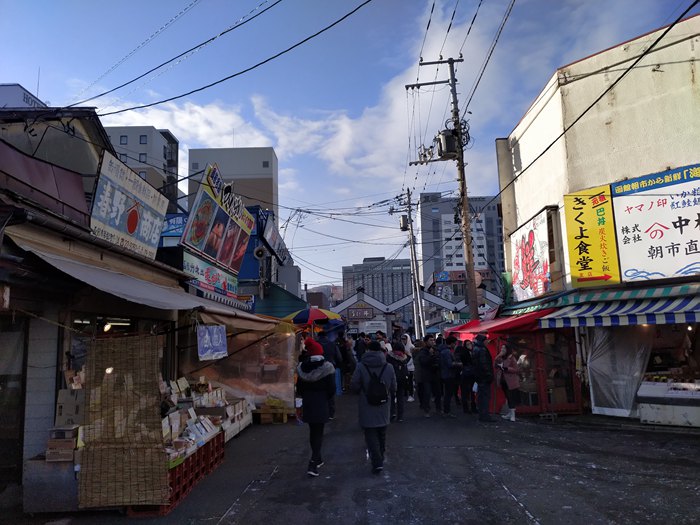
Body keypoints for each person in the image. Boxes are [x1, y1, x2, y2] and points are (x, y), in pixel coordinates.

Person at [350, 340, 396, 474]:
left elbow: (354, 385)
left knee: (370, 432)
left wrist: (362, 390)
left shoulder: (361, 366)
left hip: (366, 403)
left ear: (368, 350)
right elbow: (394, 387)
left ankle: (377, 461)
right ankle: (380, 456)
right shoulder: (388, 366)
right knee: (382, 432)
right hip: (383, 403)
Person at [296, 337, 336, 477]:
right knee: (319, 432)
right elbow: (332, 389)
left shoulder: (302, 368)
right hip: (321, 402)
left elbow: (299, 388)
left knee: (313, 431)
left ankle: (318, 459)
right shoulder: (327, 368)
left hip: (308, 402)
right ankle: (313, 463)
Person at [318, 330, 343, 418]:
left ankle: (320, 411)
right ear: (326, 336)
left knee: (319, 390)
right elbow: (339, 358)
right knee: (330, 390)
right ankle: (330, 413)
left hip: (318, 370)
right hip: (331, 369)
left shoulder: (316, 344)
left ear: (318, 336)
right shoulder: (332, 344)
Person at [495, 338, 521, 422]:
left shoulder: (511, 358)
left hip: (510, 381)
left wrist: (507, 368)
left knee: (511, 397)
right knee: (507, 396)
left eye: (504, 348)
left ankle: (513, 414)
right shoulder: (501, 357)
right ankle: (510, 413)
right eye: (501, 348)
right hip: (503, 381)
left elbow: (516, 369)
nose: (502, 350)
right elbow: (495, 364)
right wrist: (499, 355)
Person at [472, 333, 496, 422]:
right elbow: (484, 364)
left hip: (479, 377)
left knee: (481, 396)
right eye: (486, 340)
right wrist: (489, 375)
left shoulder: (475, 349)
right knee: (485, 396)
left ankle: (482, 414)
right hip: (484, 377)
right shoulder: (482, 350)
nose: (487, 342)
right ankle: (485, 415)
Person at [386, 340, 411, 422]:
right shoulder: (404, 357)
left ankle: (392, 413)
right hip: (402, 379)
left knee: (391, 397)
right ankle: (400, 416)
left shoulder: (389, 357)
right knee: (400, 398)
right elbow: (408, 358)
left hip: (391, 379)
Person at [416, 334, 441, 417]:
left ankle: (439, 409)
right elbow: (424, 362)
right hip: (426, 375)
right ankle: (426, 410)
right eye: (430, 340)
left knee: (438, 392)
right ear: (426, 342)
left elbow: (439, 359)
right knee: (427, 393)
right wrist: (431, 356)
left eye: (433, 340)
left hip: (435, 374)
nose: (433, 342)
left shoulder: (436, 349)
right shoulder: (423, 351)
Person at [438, 335, 462, 418]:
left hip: (445, 374)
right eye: (455, 343)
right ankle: (447, 411)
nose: (455, 345)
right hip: (449, 375)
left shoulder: (443, 351)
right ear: (451, 343)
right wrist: (459, 364)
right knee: (448, 394)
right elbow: (450, 364)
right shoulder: (447, 352)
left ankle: (446, 410)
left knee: (447, 393)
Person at [455, 340, 477, 413]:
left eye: (470, 344)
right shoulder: (464, 353)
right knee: (466, 392)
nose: (469, 345)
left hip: (470, 374)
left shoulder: (472, 352)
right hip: (466, 375)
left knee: (471, 392)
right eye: (467, 344)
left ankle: (471, 407)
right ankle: (467, 408)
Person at [400, 334, 416, 401]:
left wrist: (407, 363)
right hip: (404, 366)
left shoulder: (412, 347)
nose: (403, 340)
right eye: (402, 339)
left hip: (411, 367)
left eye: (405, 339)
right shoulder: (402, 346)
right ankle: (406, 394)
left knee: (410, 382)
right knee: (405, 382)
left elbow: (413, 357)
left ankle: (411, 395)